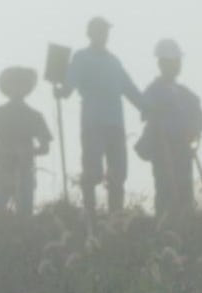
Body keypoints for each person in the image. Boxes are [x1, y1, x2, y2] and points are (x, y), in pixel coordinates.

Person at [56, 17, 143, 214]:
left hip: (115, 124)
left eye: (105, 31)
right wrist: (61, 91)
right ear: (90, 33)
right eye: (99, 31)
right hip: (93, 123)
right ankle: (90, 213)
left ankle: (116, 216)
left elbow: (129, 88)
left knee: (118, 174)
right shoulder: (81, 57)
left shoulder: (113, 61)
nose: (103, 35)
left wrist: (147, 108)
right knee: (92, 172)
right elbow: (69, 84)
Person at [136, 39, 202, 219]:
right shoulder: (153, 91)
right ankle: (164, 227)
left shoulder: (185, 93)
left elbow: (200, 115)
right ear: (161, 64)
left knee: (185, 190)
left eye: (177, 62)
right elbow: (145, 110)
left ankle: (187, 225)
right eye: (172, 62)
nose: (176, 66)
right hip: (162, 148)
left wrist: (195, 128)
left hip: (183, 148)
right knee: (165, 189)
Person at [0, 66, 52, 216]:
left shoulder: (34, 116)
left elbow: (45, 147)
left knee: (25, 213)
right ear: (7, 87)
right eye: (15, 84)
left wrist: (27, 152)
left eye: (22, 85)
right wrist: (3, 150)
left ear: (28, 88)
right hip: (3, 167)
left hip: (26, 168)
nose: (18, 89)